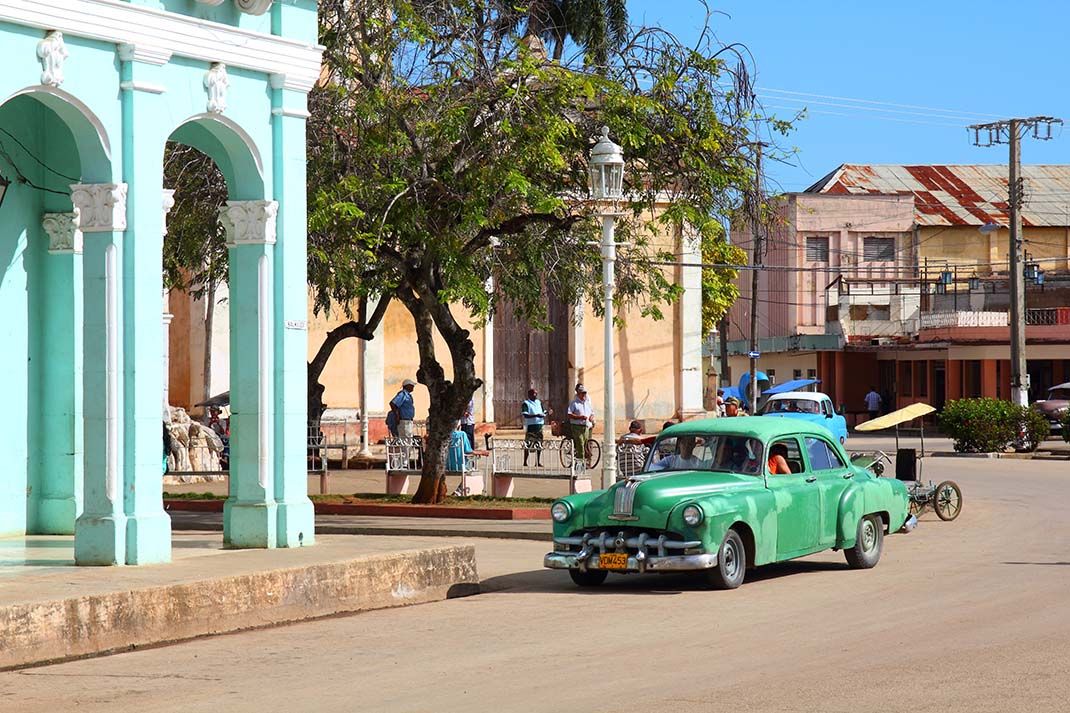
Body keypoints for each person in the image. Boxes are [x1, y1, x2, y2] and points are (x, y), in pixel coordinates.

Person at [566, 384, 595, 465]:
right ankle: (579, 465)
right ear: (578, 394)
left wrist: (591, 417)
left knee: (586, 444)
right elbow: (569, 414)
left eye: (585, 393)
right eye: (582, 393)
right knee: (580, 444)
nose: (584, 395)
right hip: (576, 426)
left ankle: (583, 462)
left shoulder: (587, 403)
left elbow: (592, 413)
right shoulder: (574, 403)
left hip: (585, 426)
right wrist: (579, 417)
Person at [521, 388, 550, 466]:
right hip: (531, 426)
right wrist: (536, 415)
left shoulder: (538, 402)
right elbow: (525, 414)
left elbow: (542, 411)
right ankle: (525, 461)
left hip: (539, 426)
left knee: (539, 444)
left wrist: (547, 412)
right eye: (533, 394)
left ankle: (537, 462)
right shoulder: (526, 403)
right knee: (528, 444)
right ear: (529, 395)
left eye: (536, 394)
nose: (535, 396)